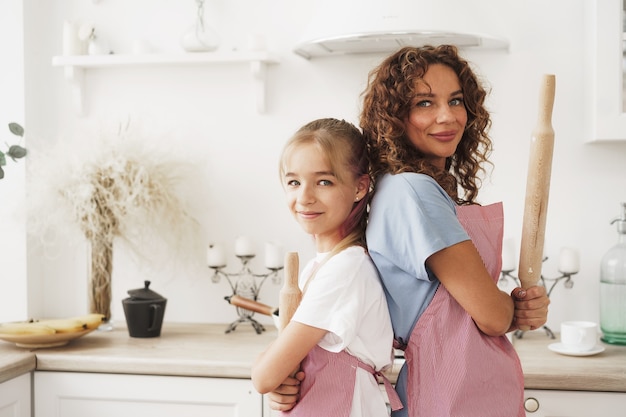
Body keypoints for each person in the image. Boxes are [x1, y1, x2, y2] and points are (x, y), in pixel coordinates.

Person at [359, 45, 550, 417]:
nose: (447, 117)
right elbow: (492, 316)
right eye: (424, 103)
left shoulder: (404, 188)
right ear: (394, 116)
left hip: (463, 388)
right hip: (447, 396)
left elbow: (468, 317)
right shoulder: (412, 190)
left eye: (456, 100)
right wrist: (510, 308)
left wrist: (519, 310)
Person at [251, 118, 402, 416]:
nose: (304, 197)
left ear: (360, 187)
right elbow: (278, 371)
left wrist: (267, 371)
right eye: (294, 182)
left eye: (324, 182)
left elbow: (264, 376)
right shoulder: (324, 265)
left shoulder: (346, 270)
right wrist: (279, 382)